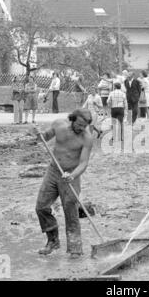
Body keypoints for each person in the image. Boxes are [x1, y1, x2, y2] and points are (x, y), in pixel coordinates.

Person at [33, 109, 94, 259]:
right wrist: (38, 133)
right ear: (72, 119)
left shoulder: (87, 138)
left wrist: (72, 175)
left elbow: (84, 163)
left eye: (84, 126)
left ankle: (75, 248)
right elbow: (44, 138)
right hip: (53, 172)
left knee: (70, 211)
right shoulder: (59, 125)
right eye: (79, 124)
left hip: (71, 176)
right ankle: (53, 240)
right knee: (41, 207)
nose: (81, 128)